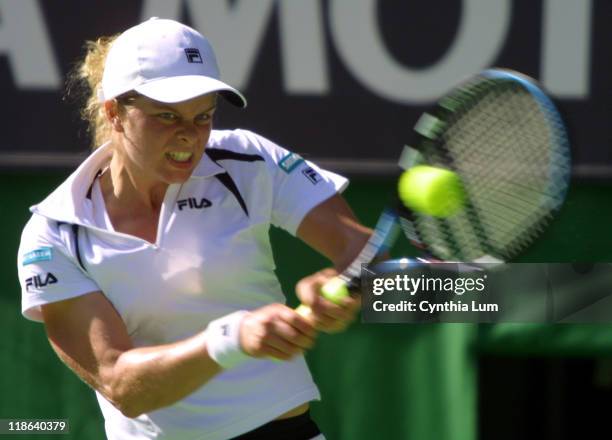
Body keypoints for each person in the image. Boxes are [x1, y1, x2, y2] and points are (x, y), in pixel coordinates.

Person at [17, 18, 370, 440]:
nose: (189, 135)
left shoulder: (250, 161)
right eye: (167, 116)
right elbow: (121, 384)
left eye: (203, 115)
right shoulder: (54, 234)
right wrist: (232, 338)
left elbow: (370, 256)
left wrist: (350, 283)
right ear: (115, 112)